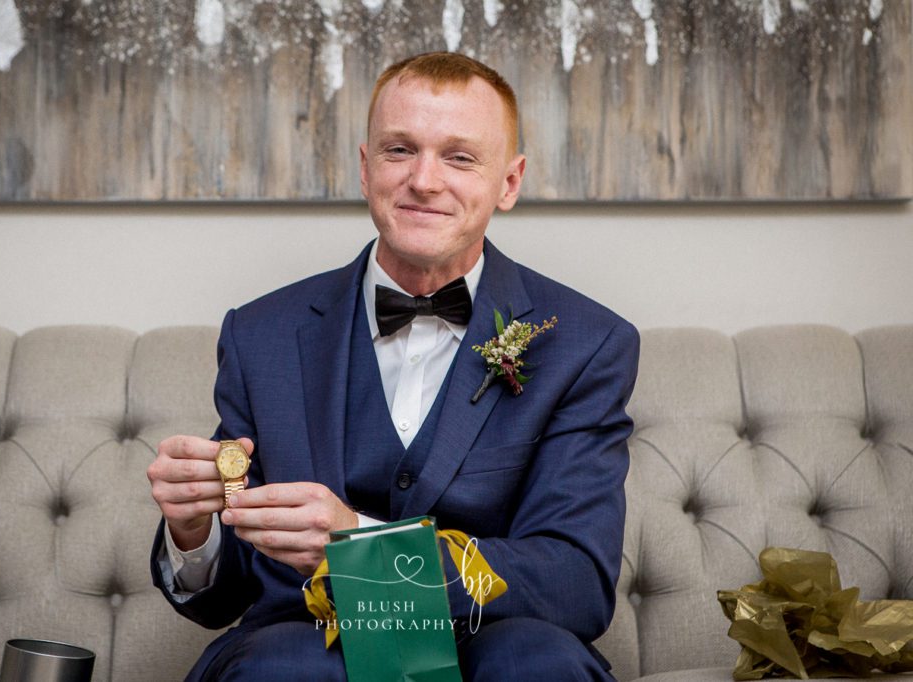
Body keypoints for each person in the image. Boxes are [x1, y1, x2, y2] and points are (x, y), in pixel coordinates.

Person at [147, 51, 639, 681]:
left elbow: (574, 583)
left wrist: (361, 545)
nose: (424, 180)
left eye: (459, 157)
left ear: (509, 182)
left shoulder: (587, 344)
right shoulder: (261, 335)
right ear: (365, 167)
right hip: (303, 648)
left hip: (494, 645)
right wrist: (194, 531)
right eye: (400, 150)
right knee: (281, 667)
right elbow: (226, 593)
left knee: (539, 663)